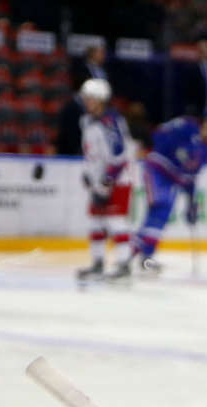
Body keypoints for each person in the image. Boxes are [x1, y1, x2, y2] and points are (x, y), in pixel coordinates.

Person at [110, 106, 207, 280]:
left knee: (157, 219)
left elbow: (191, 177)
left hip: (172, 180)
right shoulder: (188, 126)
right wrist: (173, 151)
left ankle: (135, 260)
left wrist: (191, 203)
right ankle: (134, 260)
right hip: (157, 171)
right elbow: (159, 134)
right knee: (160, 211)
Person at [74, 79, 134, 282]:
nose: (87, 102)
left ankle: (124, 265)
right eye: (85, 98)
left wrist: (107, 183)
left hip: (117, 180)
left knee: (116, 221)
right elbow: (91, 153)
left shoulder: (110, 123)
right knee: (95, 222)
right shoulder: (87, 121)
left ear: (101, 100)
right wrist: (88, 174)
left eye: (91, 98)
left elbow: (119, 156)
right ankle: (98, 263)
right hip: (99, 181)